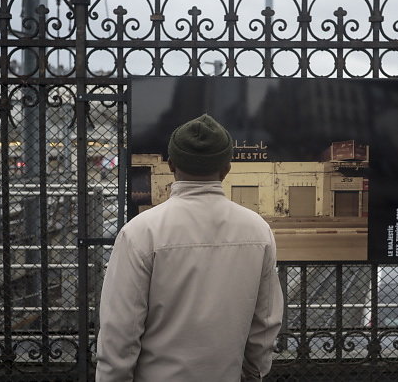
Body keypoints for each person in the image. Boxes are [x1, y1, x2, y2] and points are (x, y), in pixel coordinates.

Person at [96, 114, 284, 382]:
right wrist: (253, 373)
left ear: (171, 165)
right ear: (226, 169)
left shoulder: (140, 232)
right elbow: (266, 322)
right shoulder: (257, 230)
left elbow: (120, 331)